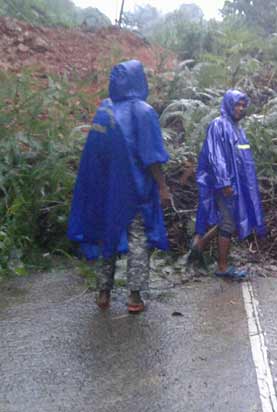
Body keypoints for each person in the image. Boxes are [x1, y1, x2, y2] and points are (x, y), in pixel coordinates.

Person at [67, 60, 171, 314]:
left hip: (108, 188)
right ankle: (134, 297)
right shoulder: (144, 112)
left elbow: (94, 153)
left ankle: (104, 293)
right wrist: (162, 187)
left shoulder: (105, 109)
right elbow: (152, 157)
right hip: (136, 189)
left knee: (108, 235)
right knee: (138, 238)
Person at [189, 89, 266, 280]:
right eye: (237, 105)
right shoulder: (219, 125)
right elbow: (216, 157)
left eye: (243, 105)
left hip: (238, 184)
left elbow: (244, 160)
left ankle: (200, 245)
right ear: (228, 105)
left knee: (228, 219)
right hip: (226, 185)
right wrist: (224, 182)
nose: (240, 108)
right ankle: (221, 266)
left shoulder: (238, 129)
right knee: (228, 223)